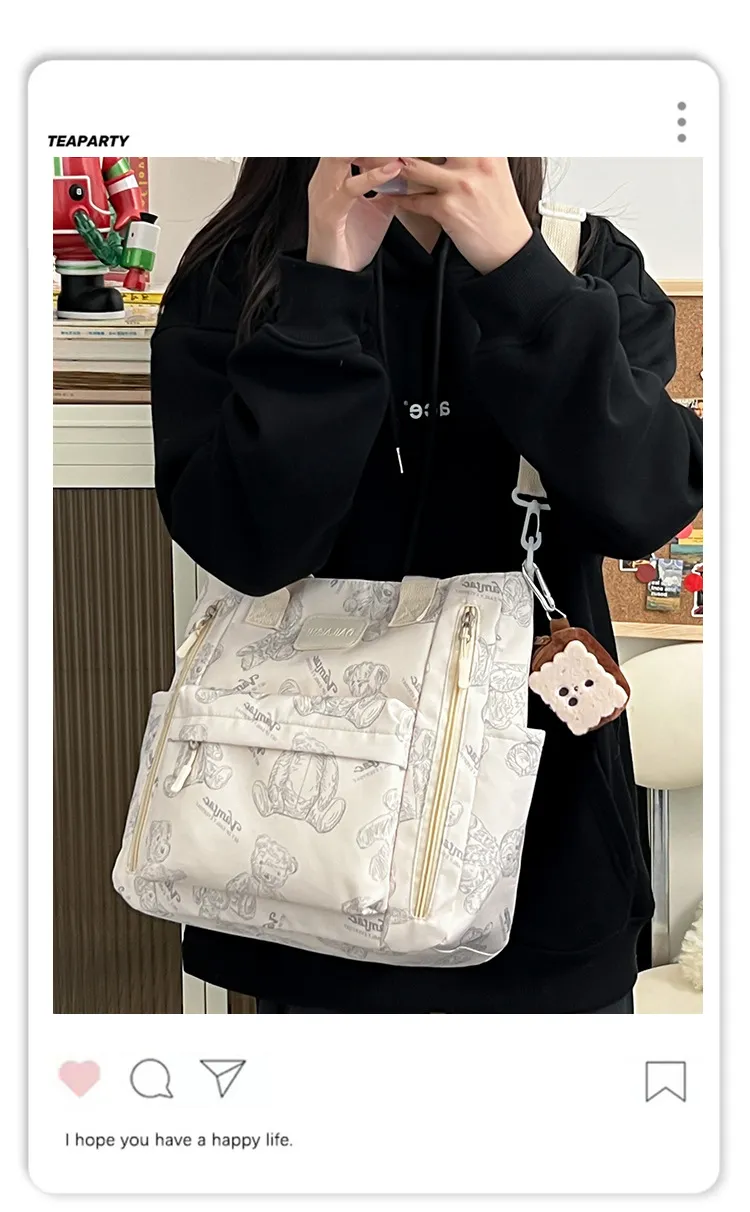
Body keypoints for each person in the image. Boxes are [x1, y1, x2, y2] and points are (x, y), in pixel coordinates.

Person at [151, 158, 703, 1014]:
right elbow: (249, 548)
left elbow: (646, 504)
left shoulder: (582, 259)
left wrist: (518, 274)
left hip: (544, 858)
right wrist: (324, 290)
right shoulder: (243, 272)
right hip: (306, 864)